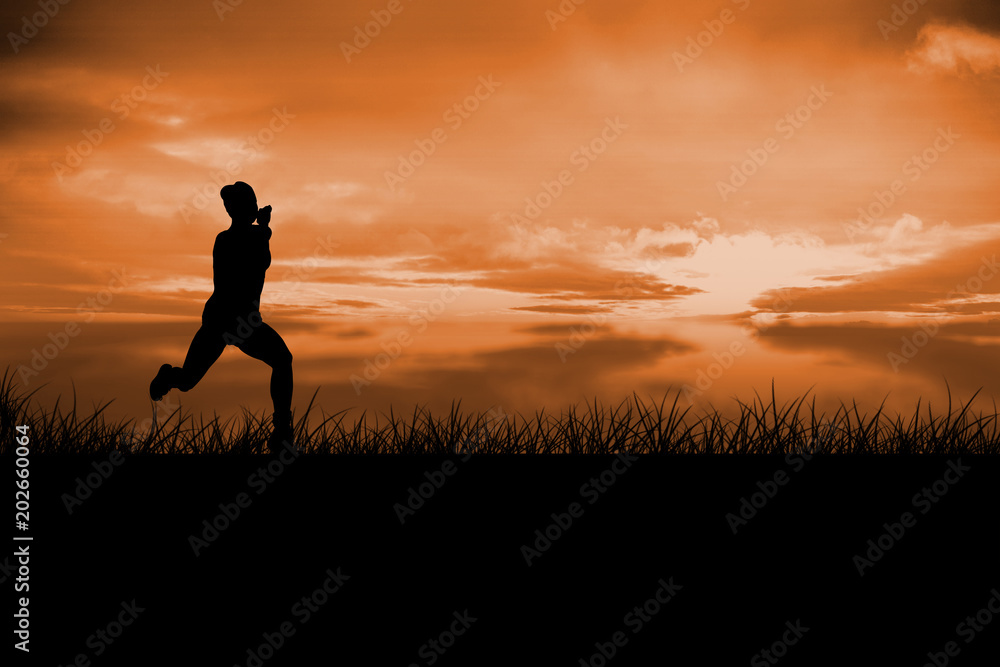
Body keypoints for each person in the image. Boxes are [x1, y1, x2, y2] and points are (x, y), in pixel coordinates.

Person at [149, 181, 293, 453]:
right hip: (240, 321)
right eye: (250, 203)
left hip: (218, 318)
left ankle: (169, 377)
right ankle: (282, 432)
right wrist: (264, 228)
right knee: (283, 360)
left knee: (189, 380)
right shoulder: (248, 237)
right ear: (245, 208)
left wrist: (263, 229)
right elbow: (261, 260)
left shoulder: (224, 238)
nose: (254, 207)